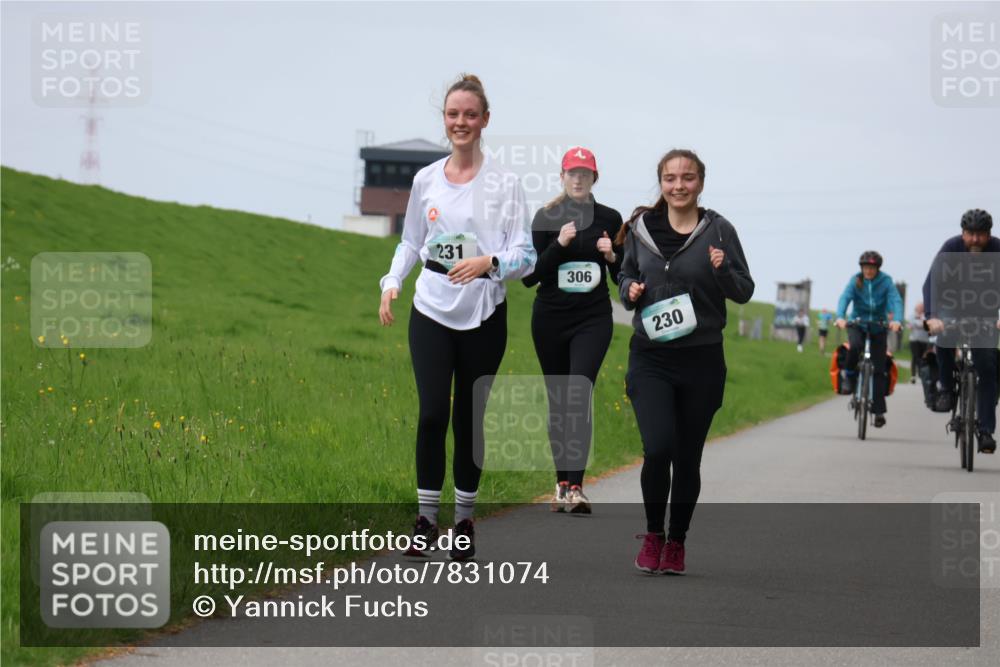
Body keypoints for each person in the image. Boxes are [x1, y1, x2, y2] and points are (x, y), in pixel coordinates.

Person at [378, 74, 536, 560]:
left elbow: (526, 256)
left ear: (485, 120)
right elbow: (411, 242)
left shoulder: (506, 185)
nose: (461, 122)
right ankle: (426, 519)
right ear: (444, 120)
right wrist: (392, 281)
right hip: (430, 309)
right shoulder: (426, 180)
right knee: (431, 413)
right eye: (452, 114)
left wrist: (489, 264)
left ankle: (464, 518)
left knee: (470, 418)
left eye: (470, 114)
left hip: (484, 316)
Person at [617, 149, 754, 574]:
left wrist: (723, 269)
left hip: (701, 360)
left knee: (687, 457)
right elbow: (624, 276)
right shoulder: (641, 229)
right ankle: (653, 533)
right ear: (661, 182)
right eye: (671, 178)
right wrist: (629, 293)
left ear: (700, 183)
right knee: (657, 449)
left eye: (688, 178)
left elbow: (744, 289)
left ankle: (677, 541)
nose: (679, 186)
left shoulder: (719, 230)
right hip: (651, 357)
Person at [522, 147, 623, 514]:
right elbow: (531, 277)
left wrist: (613, 256)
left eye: (585, 173)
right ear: (561, 177)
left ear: (595, 177)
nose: (578, 179)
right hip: (550, 319)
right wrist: (560, 246)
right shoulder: (546, 217)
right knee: (559, 401)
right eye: (572, 173)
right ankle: (561, 483)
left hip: (592, 319)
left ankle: (577, 487)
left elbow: (623, 275)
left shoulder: (610, 218)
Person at [922, 208, 999, 454]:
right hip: (951, 307)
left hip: (985, 312)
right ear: (962, 233)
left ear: (989, 234)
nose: (975, 240)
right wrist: (932, 316)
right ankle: (946, 388)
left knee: (987, 367)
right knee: (944, 339)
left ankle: (985, 431)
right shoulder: (951, 248)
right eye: (970, 234)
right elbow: (932, 282)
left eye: (981, 234)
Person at [834, 251, 904, 429]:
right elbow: (845, 298)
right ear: (862, 268)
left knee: (879, 369)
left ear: (877, 269)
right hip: (858, 323)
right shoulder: (855, 280)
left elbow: (895, 300)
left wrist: (896, 320)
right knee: (855, 346)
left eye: (872, 268)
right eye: (866, 267)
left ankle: (879, 411)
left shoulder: (886, 281)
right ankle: (848, 376)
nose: (868, 271)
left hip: (878, 326)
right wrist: (841, 316)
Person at [908, 302, 930, 384]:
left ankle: (921, 374)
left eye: (922, 307)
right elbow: (912, 325)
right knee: (915, 357)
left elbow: (926, 326)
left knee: (922, 358)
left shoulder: (926, 316)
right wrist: (921, 323)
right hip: (914, 340)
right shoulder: (912, 316)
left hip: (924, 340)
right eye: (919, 307)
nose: (921, 308)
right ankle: (913, 375)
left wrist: (922, 321)